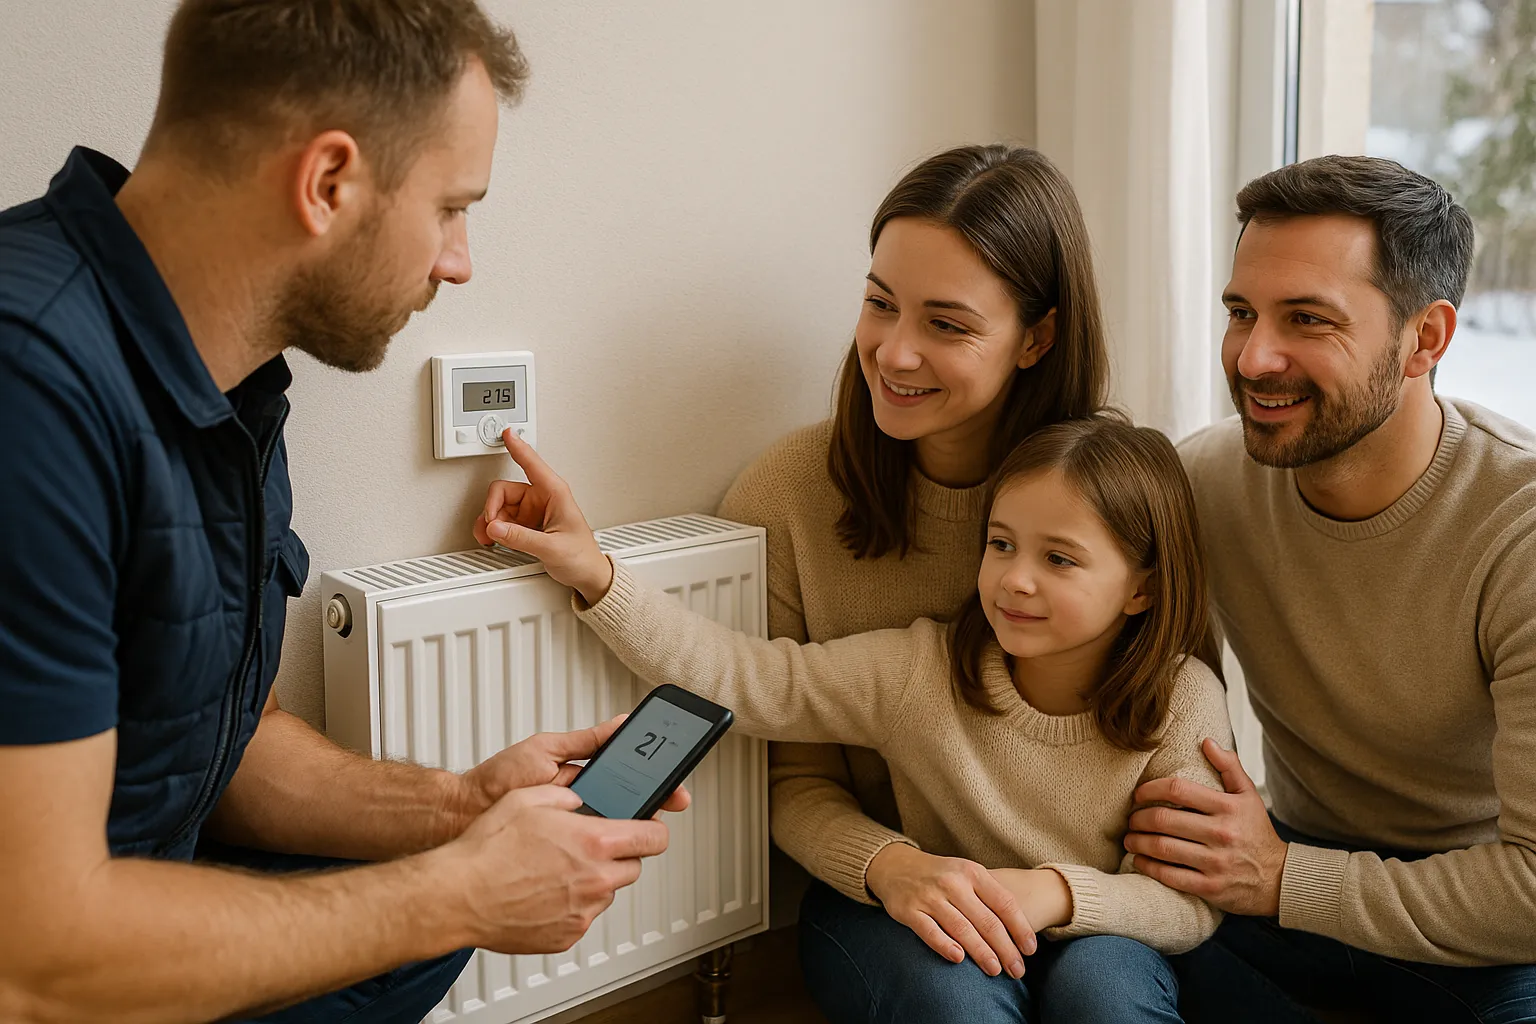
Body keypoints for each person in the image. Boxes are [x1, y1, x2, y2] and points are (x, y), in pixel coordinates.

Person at [0, 3, 685, 1022]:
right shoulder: (33, 391)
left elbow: (221, 741)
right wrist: (455, 886)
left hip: (128, 898)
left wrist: (464, 811)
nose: (460, 262)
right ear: (327, 183)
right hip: (55, 963)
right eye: (451, 207)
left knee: (435, 920)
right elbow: (32, 957)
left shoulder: (226, 383)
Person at [480, 416, 1234, 1023]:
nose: (1014, 579)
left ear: (1141, 588)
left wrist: (1055, 894)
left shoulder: (1185, 702)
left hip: (1091, 938)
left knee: (1105, 991)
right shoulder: (920, 672)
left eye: (1060, 559)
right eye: (1000, 544)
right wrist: (595, 573)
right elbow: (750, 679)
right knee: (956, 1002)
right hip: (926, 927)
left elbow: (1189, 902)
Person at [1119, 155, 1536, 1022]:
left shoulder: (1519, 531)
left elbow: (1531, 890)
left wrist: (1282, 878)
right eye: (1241, 313)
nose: (1254, 356)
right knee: (1099, 963)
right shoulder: (1202, 484)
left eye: (1307, 319)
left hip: (1481, 926)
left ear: (1427, 340)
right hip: (1283, 874)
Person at [704, 143, 1111, 1006]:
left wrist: (1082, 892)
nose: (893, 353)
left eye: (947, 324)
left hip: (1087, 890)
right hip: (886, 898)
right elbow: (790, 776)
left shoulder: (1112, 495)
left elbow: (1174, 722)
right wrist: (892, 867)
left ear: (1036, 338)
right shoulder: (788, 496)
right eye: (880, 305)